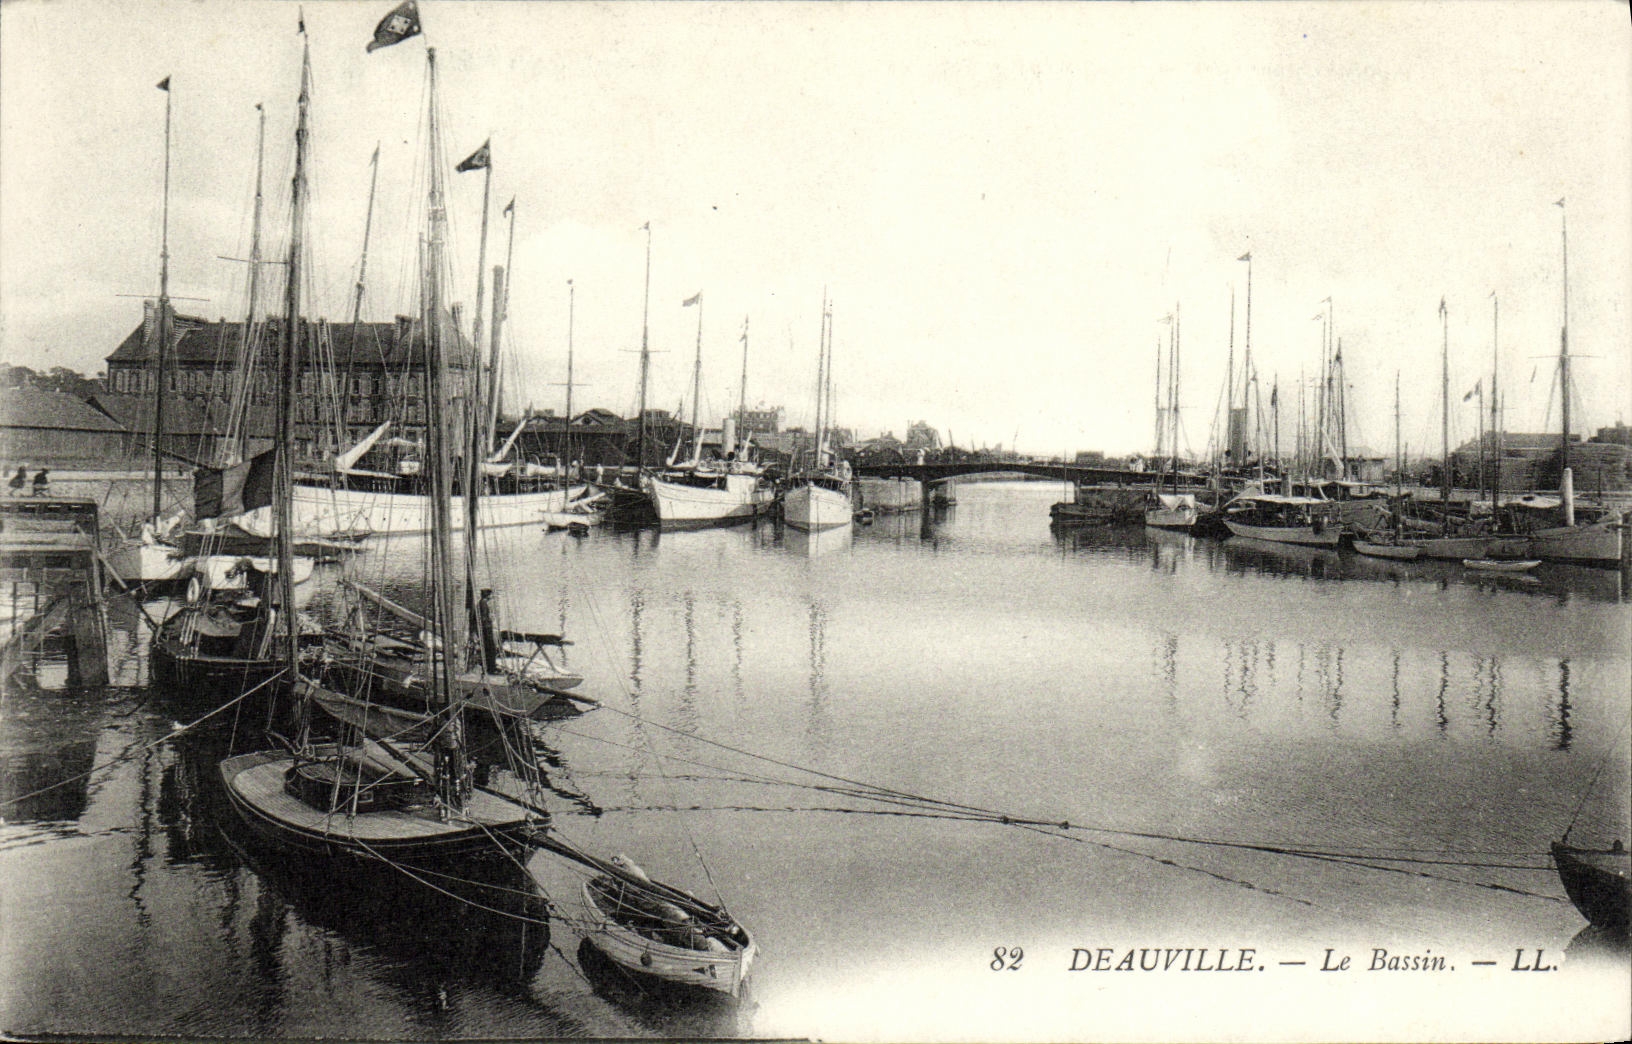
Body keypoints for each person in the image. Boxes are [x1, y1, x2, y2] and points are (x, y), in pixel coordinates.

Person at [476, 587, 499, 673]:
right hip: (486, 630)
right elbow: (484, 619)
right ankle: (491, 669)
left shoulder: (480, 603)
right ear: (488, 595)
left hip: (484, 630)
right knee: (491, 649)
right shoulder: (483, 604)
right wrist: (490, 621)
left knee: (488, 649)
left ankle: (487, 667)